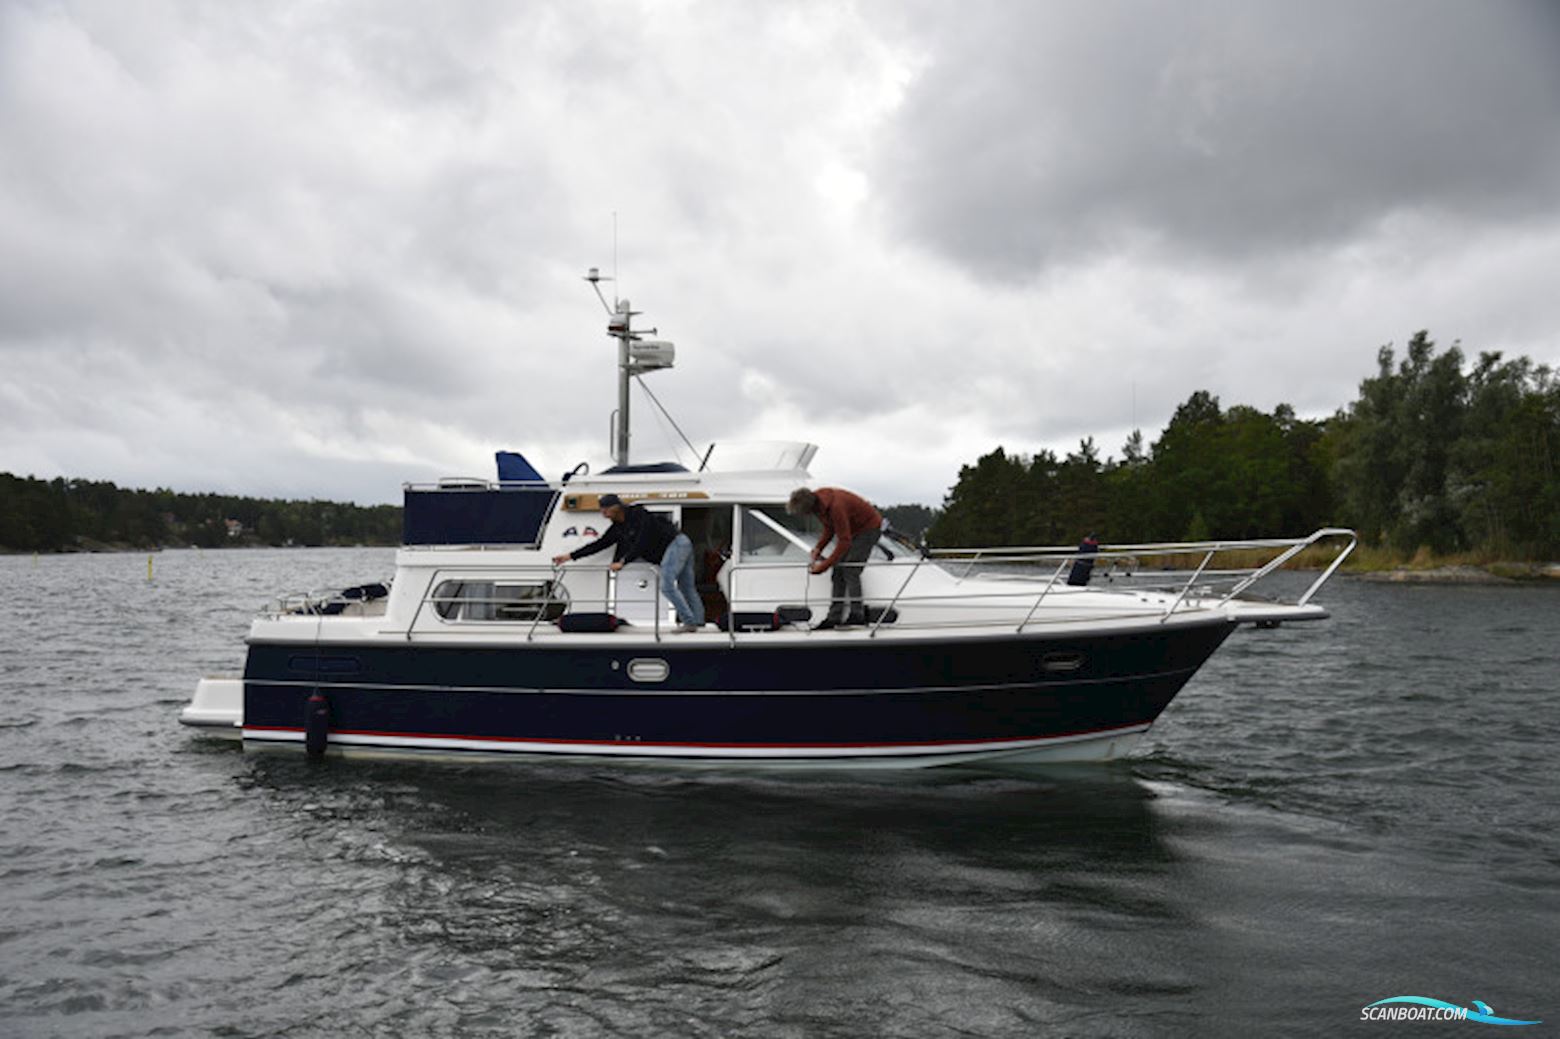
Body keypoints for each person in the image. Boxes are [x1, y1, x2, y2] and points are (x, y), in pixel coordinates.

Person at [552, 494, 705, 631]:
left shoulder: (639, 515)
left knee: (667, 586)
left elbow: (642, 541)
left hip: (676, 544)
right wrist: (570, 556)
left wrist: (623, 561)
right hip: (679, 545)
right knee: (686, 587)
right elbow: (600, 544)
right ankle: (698, 622)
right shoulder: (617, 528)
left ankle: (689, 623)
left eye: (605, 509)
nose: (603, 513)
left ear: (616, 507)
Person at [786, 486, 882, 628]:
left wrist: (823, 566)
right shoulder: (819, 505)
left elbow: (844, 541)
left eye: (806, 513)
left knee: (850, 569)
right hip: (854, 531)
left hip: (869, 528)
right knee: (837, 571)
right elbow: (829, 528)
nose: (808, 515)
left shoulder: (836, 507)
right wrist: (818, 548)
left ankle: (857, 615)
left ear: (810, 507)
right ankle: (834, 617)